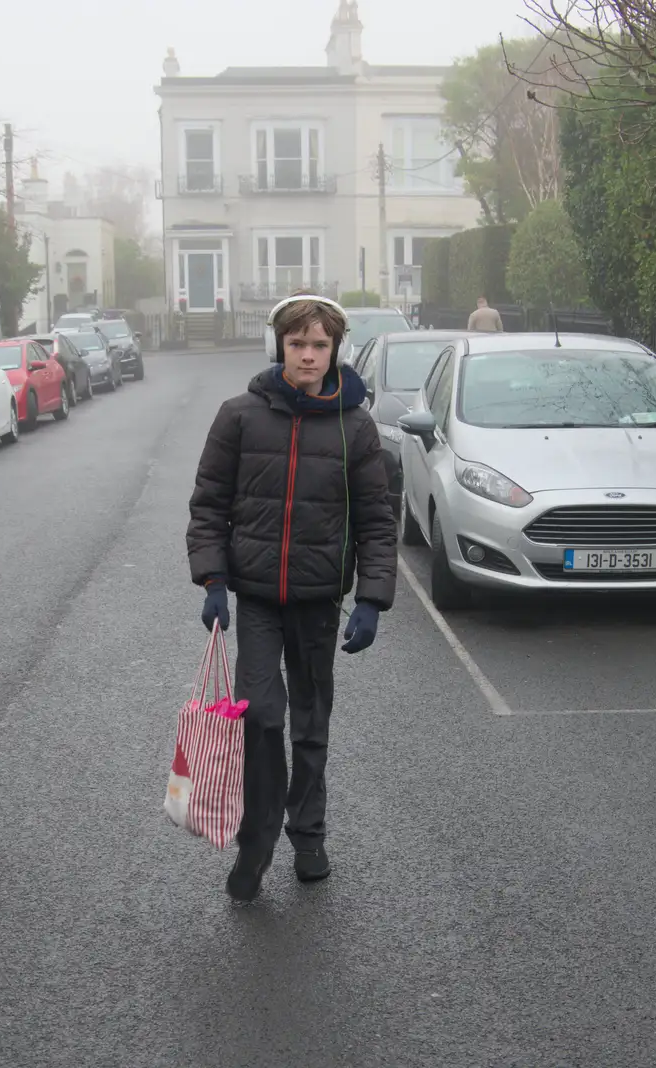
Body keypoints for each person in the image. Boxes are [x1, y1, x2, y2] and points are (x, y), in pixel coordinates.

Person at [187, 294, 397, 902]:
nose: (308, 355)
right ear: (279, 346)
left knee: (309, 723)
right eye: (297, 343)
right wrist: (213, 580)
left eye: (320, 345)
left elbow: (377, 522)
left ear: (336, 351)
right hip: (255, 598)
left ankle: (308, 835)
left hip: (317, 601)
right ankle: (256, 846)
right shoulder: (239, 416)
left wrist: (371, 599)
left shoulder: (354, 426)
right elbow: (208, 507)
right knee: (261, 717)